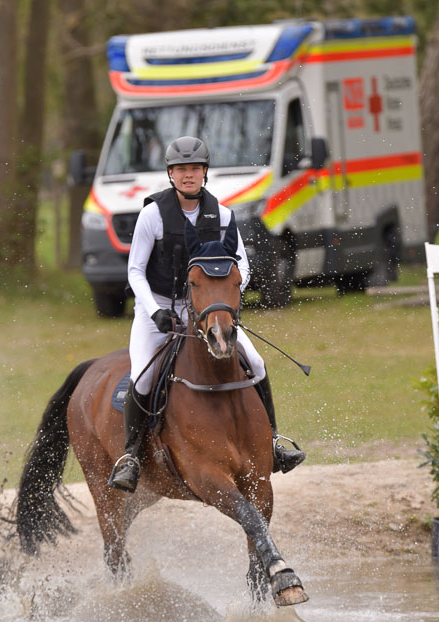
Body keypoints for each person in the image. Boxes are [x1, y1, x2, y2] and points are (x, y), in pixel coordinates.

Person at [109, 136, 305, 492]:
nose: (188, 175)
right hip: (159, 306)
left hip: (209, 310)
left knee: (257, 363)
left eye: (195, 169)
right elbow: (135, 271)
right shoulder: (152, 215)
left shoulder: (224, 215)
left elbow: (241, 267)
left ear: (204, 173)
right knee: (143, 377)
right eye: (181, 170)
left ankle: (274, 442)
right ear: (171, 174)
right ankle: (131, 457)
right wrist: (155, 312)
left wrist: (224, 302)